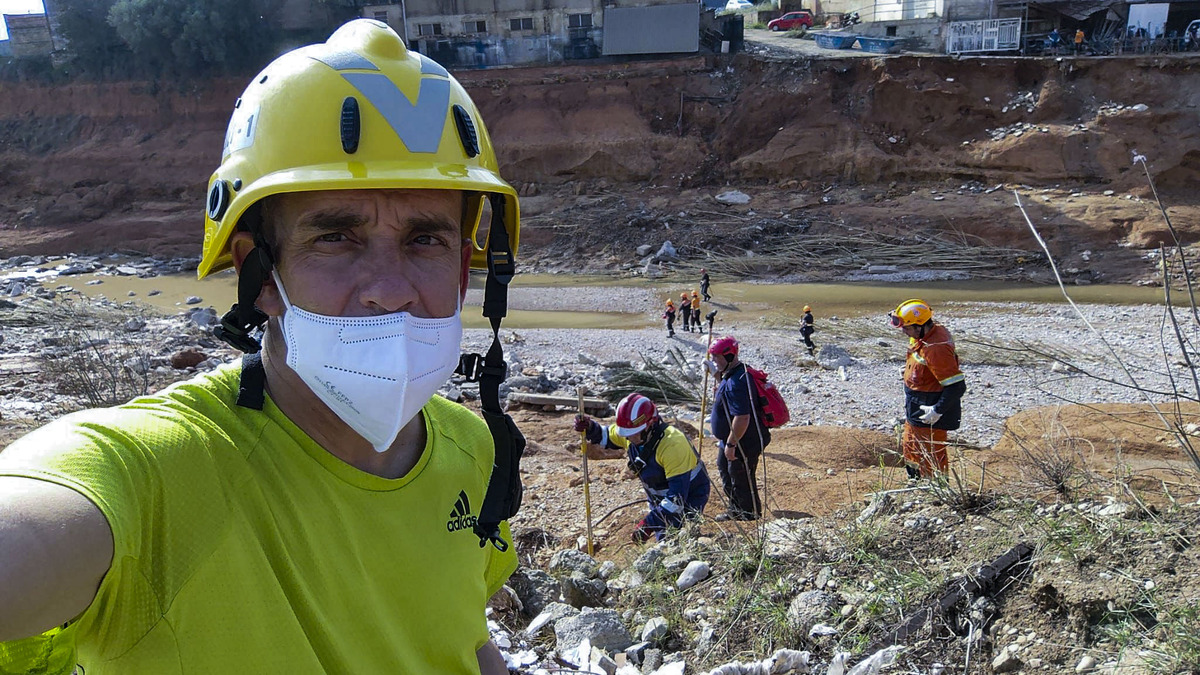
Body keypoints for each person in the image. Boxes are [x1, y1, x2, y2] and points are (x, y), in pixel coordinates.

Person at [0, 20, 526, 674]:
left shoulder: (472, 450)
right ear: (260, 277)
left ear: (466, 268)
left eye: (426, 239)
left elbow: (460, 632)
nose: (390, 291)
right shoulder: (163, 474)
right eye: (337, 237)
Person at [574, 393, 710, 542]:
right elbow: (604, 435)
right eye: (626, 434)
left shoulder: (673, 444)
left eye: (633, 434)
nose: (629, 438)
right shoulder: (632, 432)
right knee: (663, 540)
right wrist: (590, 427)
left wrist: (648, 524)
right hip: (659, 497)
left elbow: (676, 500)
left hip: (690, 493)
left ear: (650, 425)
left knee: (680, 539)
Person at [888, 299, 967, 480]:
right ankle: (915, 482)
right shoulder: (922, 336)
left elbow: (957, 386)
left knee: (930, 453)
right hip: (917, 404)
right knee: (911, 446)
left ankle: (936, 491)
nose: (903, 332)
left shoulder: (935, 348)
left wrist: (937, 410)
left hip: (929, 409)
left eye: (906, 328)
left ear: (920, 326)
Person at [706, 336, 769, 520]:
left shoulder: (737, 383)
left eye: (716, 357)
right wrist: (714, 373)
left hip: (744, 441)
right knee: (726, 469)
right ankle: (736, 509)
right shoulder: (736, 372)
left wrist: (732, 444)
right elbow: (726, 384)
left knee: (741, 477)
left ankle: (749, 515)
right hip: (734, 439)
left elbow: (742, 417)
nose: (714, 361)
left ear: (730, 355)